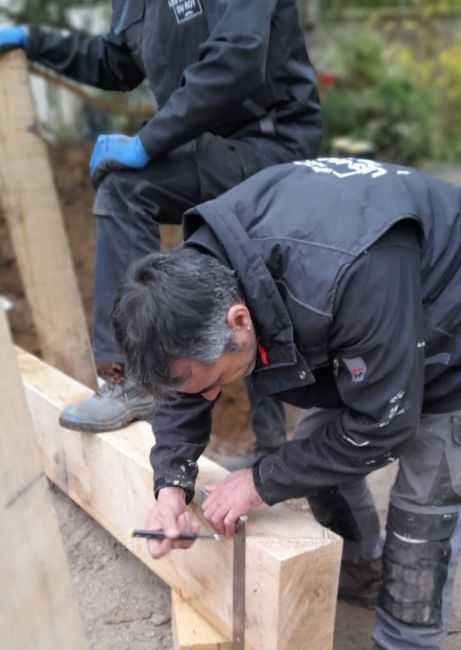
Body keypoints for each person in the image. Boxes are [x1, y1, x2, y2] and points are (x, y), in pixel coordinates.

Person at [111, 156, 461, 650]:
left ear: (240, 320)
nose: (210, 397)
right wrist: (171, 484)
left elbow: (384, 425)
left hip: (448, 323)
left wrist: (260, 481)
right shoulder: (197, 278)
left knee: (422, 515)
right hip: (368, 323)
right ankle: (359, 567)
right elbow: (186, 385)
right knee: (315, 455)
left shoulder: (346, 274)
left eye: (212, 379)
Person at [0, 3, 320, 448]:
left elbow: (239, 56)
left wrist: (148, 142)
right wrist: (32, 40)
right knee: (228, 262)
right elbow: (114, 62)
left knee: (128, 186)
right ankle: (268, 447)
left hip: (270, 143)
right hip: (205, 147)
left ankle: (132, 375)